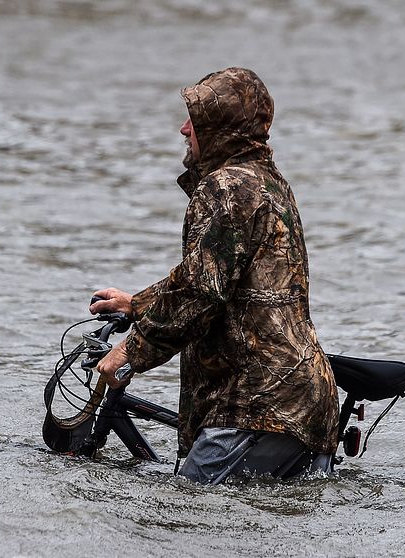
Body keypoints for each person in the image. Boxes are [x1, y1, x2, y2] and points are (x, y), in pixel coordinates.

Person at [89, 67, 339, 485]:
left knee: (183, 510)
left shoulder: (226, 188)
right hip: (297, 400)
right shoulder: (266, 182)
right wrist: (139, 304)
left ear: (221, 128)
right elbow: (219, 278)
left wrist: (132, 351)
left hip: (256, 406)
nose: (184, 129)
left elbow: (201, 291)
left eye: (196, 118)